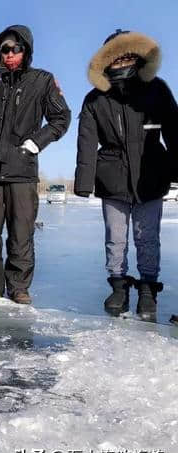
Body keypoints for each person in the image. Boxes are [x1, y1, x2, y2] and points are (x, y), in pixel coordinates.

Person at [0, 25, 71, 305]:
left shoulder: (42, 81)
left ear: (26, 51)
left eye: (15, 49)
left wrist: (35, 143)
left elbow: (61, 118)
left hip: (22, 171)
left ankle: (19, 287)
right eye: (4, 49)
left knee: (21, 232)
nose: (9, 54)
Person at [75, 30, 178, 319]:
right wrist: (84, 181)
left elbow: (174, 131)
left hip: (151, 175)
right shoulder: (95, 98)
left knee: (148, 237)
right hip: (112, 177)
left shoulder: (157, 89)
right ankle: (118, 285)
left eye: (129, 54)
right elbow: (86, 140)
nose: (123, 59)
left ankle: (147, 288)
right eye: (117, 54)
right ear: (106, 59)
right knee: (115, 237)